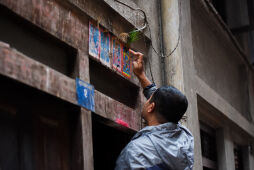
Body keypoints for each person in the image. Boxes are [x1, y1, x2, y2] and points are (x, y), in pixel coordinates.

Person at [115, 49, 194, 170]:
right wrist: (141, 75)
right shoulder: (184, 140)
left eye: (149, 99)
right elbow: (163, 100)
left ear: (151, 107)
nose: (147, 100)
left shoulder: (135, 152)